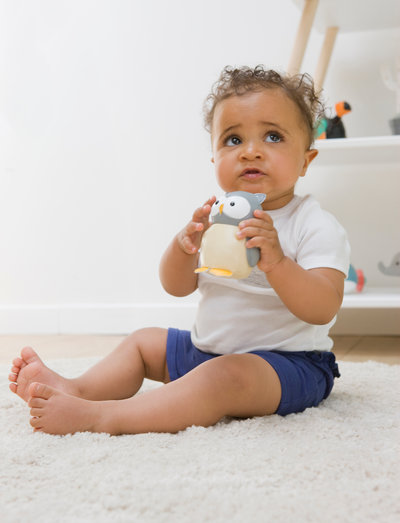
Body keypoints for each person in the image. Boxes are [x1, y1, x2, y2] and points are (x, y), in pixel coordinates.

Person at [8, 65, 350, 435]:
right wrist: (184, 248)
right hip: (208, 353)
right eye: (233, 140)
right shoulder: (218, 218)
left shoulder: (314, 224)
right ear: (214, 159)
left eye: (272, 136)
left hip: (289, 367)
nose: (250, 152)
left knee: (223, 376)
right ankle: (79, 390)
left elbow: (323, 307)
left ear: (305, 160)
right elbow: (177, 286)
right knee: (143, 342)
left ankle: (103, 418)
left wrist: (278, 263)